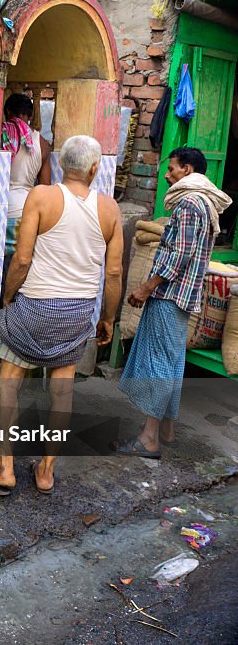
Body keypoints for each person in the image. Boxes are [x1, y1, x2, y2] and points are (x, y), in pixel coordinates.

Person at [0, 135, 123, 496]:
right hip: (78, 311)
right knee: (62, 392)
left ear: (58, 164)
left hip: (36, 305)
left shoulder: (42, 196)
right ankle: (46, 471)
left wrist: (7, 298)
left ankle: (5, 468)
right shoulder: (110, 209)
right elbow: (113, 274)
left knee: (9, 382)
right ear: (95, 169)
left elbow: (22, 259)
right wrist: (108, 319)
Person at [116, 147, 232, 457]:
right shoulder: (201, 202)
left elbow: (177, 256)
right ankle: (165, 429)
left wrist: (146, 287)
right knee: (171, 361)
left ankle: (149, 438)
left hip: (170, 295)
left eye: (173, 169)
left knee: (159, 364)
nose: (167, 175)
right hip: (182, 296)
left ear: (188, 170)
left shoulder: (189, 203)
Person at [1, 93, 52, 284]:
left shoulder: (0, 134)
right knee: (20, 263)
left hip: (0, 208)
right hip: (27, 211)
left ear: (8, 112)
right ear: (30, 115)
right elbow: (45, 188)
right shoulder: (43, 145)